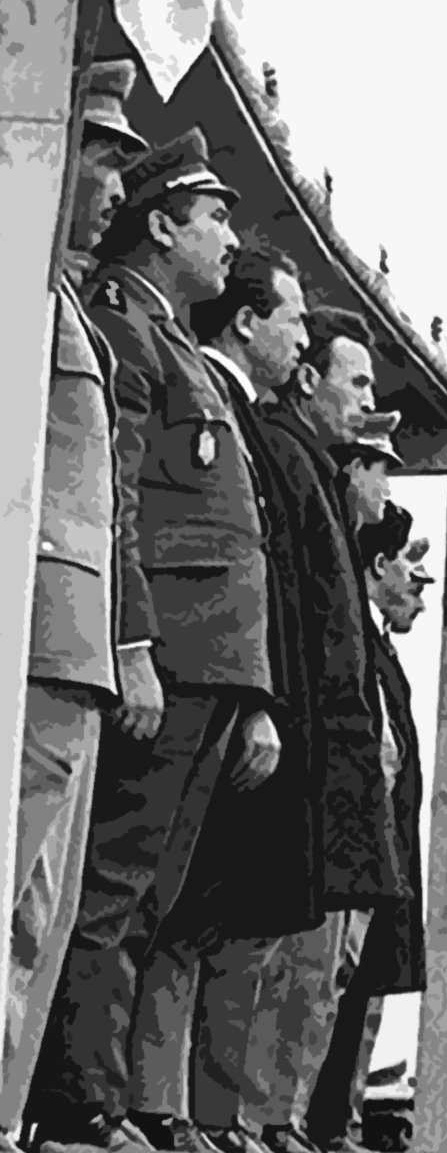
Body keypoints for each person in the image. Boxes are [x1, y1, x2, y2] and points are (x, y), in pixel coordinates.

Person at [29, 128, 282, 1153]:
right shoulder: (128, 328)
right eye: (213, 215)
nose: (228, 236)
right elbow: (116, 496)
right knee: (116, 888)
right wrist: (133, 640)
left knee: (154, 899)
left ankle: (114, 1098)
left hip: (210, 660)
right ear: (161, 222)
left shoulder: (169, 337)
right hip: (169, 655)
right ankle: (80, 1104)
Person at [120, 240, 321, 1153]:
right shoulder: (203, 393)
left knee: (175, 905)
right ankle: (124, 1107)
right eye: (296, 321)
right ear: (247, 321)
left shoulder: (254, 424)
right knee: (143, 896)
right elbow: (160, 523)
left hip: (222, 679)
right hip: (183, 665)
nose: (306, 346)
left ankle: (160, 1110)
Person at [0, 58, 149, 1153]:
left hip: (72, 644)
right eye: (102, 156)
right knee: (16, 894)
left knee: (40, 908)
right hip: (38, 633)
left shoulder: (60, 302)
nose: (113, 185)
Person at [234, 311, 410, 1153]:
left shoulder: (313, 480)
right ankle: (252, 1120)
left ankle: (281, 1123)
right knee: (269, 958)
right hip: (296, 761)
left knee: (318, 976)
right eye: (361, 385)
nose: (378, 489)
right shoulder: (292, 463)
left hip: (331, 783)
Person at [304, 505, 432, 1153]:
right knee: (328, 992)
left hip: (377, 861)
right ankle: (317, 1127)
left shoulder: (378, 651)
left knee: (358, 996)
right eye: (412, 564)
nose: (422, 584)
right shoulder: (358, 648)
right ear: (377, 565)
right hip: (349, 854)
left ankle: (336, 1127)